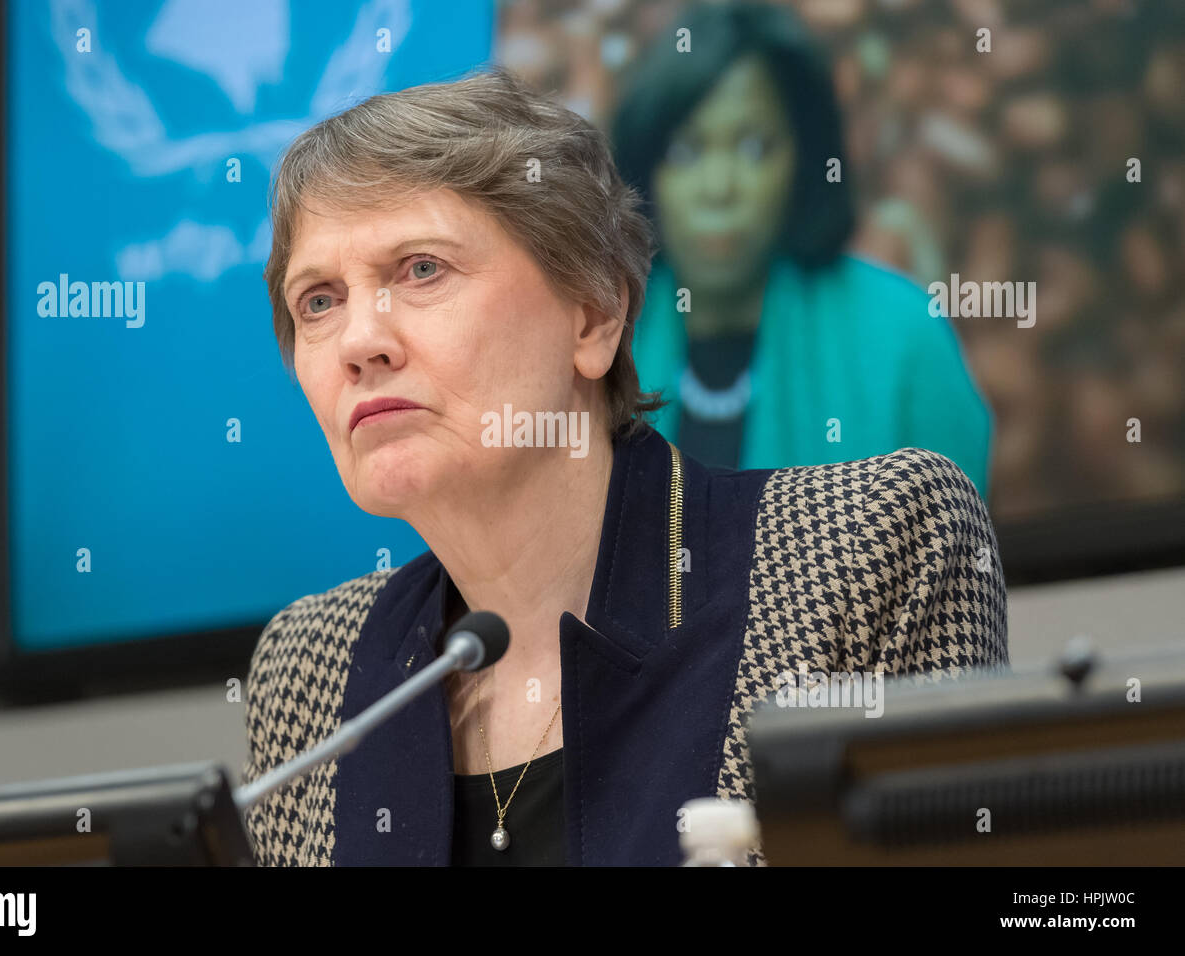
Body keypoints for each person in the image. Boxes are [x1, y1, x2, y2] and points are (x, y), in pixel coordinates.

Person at [240, 66, 1008, 867]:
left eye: (420, 269)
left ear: (596, 314)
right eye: (318, 301)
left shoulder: (864, 547)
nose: (361, 341)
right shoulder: (312, 672)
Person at [610, 2, 995, 499]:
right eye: (686, 151)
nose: (719, 188)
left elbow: (961, 563)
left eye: (754, 148)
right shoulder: (595, 339)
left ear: (803, 159)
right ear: (647, 168)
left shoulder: (905, 340)